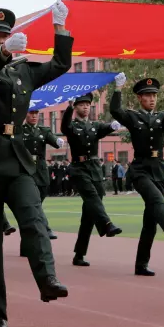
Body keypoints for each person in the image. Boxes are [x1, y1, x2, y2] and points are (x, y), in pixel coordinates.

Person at [0, 3, 72, 327]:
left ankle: (48, 279)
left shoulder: (24, 71)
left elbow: (60, 64)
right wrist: (2, 53)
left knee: (33, 217)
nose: (1, 40)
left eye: (4, 36)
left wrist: (60, 28)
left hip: (17, 158)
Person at [109, 73, 164, 276]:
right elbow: (115, 110)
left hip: (158, 170)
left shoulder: (161, 117)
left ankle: (141, 264)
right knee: (157, 201)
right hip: (140, 170)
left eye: (154, 95)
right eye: (147, 95)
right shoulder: (133, 117)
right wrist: (118, 89)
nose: (152, 98)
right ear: (140, 98)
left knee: (151, 221)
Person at [61, 94, 124, 267]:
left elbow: (104, 128)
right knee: (92, 196)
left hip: (94, 169)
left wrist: (112, 126)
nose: (86, 107)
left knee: (89, 215)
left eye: (88, 105)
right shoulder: (72, 126)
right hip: (79, 168)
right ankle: (106, 224)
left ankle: (79, 254)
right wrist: (68, 107)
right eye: (82, 104)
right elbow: (64, 126)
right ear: (76, 107)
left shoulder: (94, 126)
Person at [18, 108, 63, 242]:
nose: (34, 116)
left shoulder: (44, 130)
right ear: (25, 114)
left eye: (36, 113)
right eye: (31, 113)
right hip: (26, 167)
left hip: (41, 169)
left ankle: (31, 226)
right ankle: (46, 228)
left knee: (39, 196)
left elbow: (52, 139)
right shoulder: (20, 130)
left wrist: (57, 141)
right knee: (34, 199)